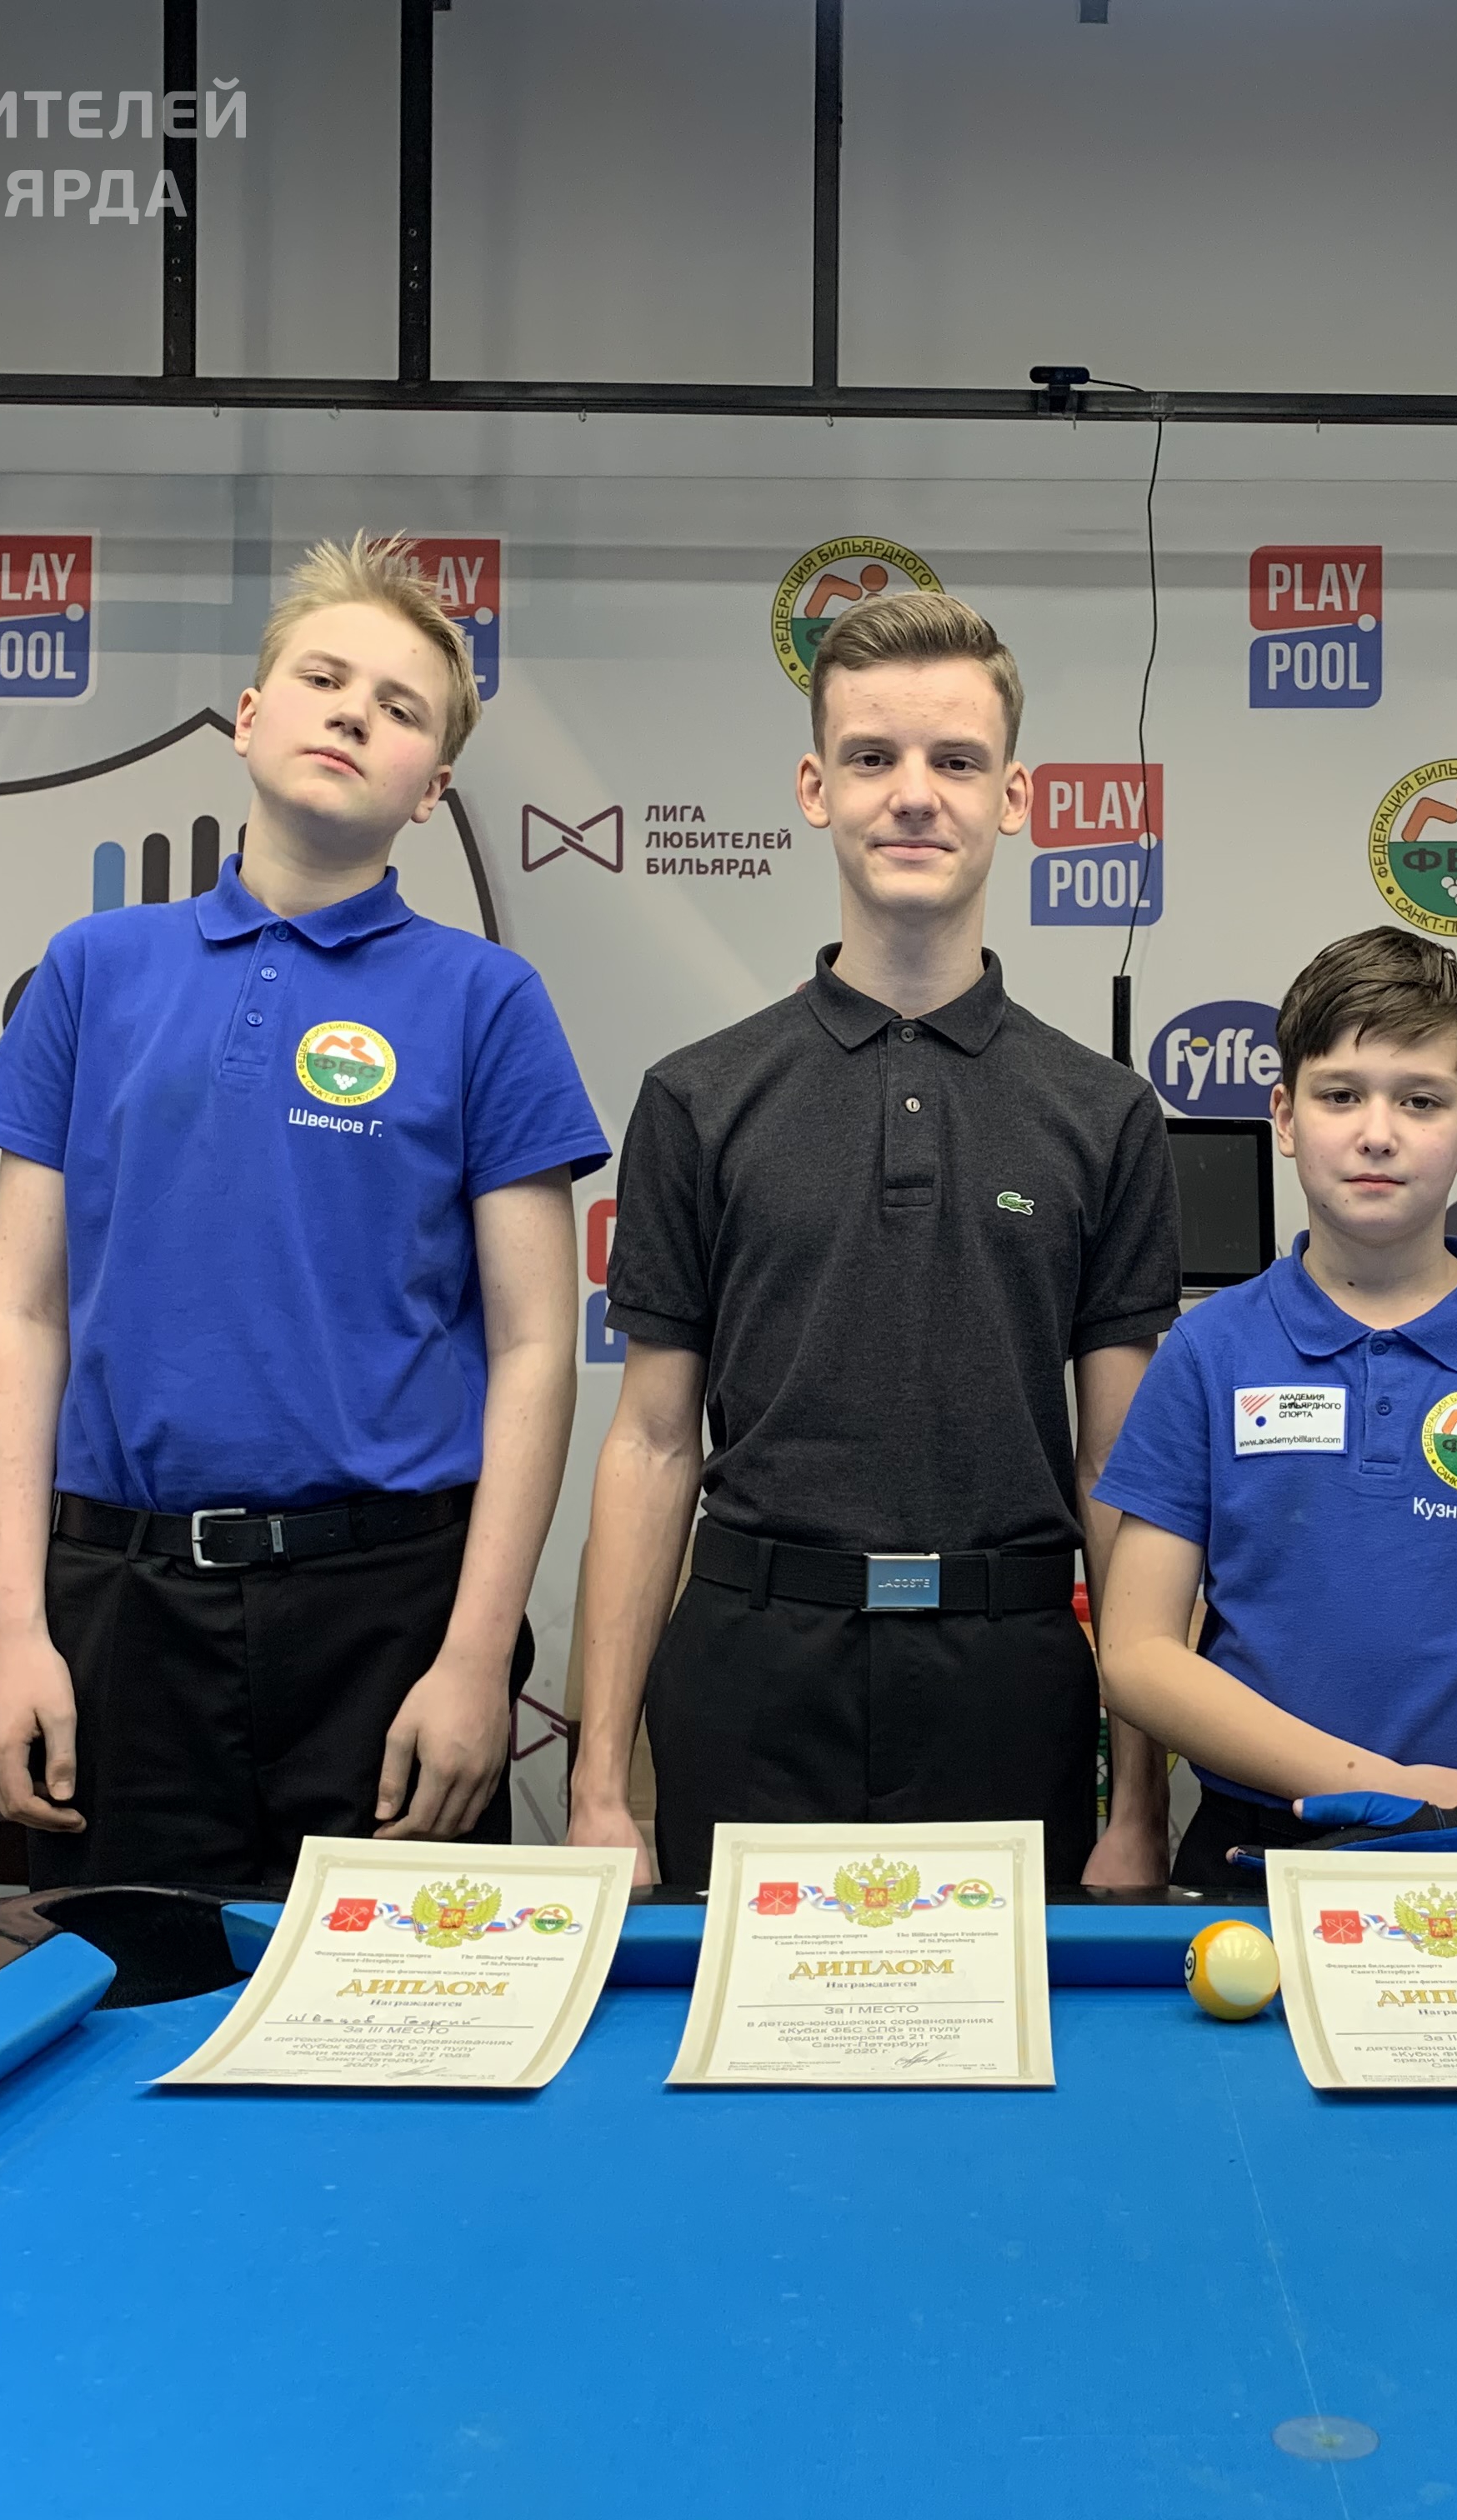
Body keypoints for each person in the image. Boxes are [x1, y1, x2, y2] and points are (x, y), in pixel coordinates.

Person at [0, 532, 606, 1889]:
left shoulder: (488, 1000)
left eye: (400, 706)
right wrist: (14, 1630)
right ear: (249, 717)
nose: (353, 713)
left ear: (431, 788)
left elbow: (536, 1348)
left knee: (395, 2011)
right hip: (122, 1607)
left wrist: (475, 1657)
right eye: (324, 679)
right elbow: (20, 1313)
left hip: (389, 1614)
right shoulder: (91, 970)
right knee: (129, 1999)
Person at [566, 590, 1182, 1892]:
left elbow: (1121, 1469)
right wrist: (598, 1785)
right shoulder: (697, 1097)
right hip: (751, 1671)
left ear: (1013, 796)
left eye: (955, 760)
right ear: (815, 788)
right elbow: (652, 1443)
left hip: (1010, 1679)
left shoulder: (1107, 1115)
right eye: (872, 757)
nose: (914, 795)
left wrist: (1138, 1800)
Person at [1093, 928, 1457, 1889]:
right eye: (1341, 1095)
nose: (1378, 1132)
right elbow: (1137, 1653)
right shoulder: (1208, 1354)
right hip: (1259, 1845)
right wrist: (1384, 1790)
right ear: (1284, 1115)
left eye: (1421, 1100)